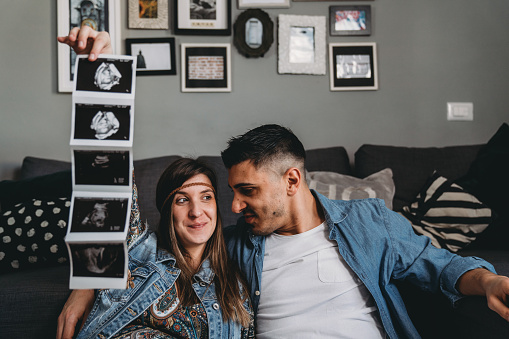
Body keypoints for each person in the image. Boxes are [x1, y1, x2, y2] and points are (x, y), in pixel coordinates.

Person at [57, 28, 509, 337]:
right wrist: (88, 281)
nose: (231, 208)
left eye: (246, 192)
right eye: (230, 193)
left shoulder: (369, 222)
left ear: (292, 180)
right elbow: (118, 205)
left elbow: (440, 265)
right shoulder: (233, 248)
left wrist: (487, 283)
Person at [59, 158, 254, 338]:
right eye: (182, 200)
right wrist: (85, 283)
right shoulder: (137, 250)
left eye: (206, 197)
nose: (196, 212)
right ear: (167, 210)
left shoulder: (234, 289)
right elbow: (107, 166)